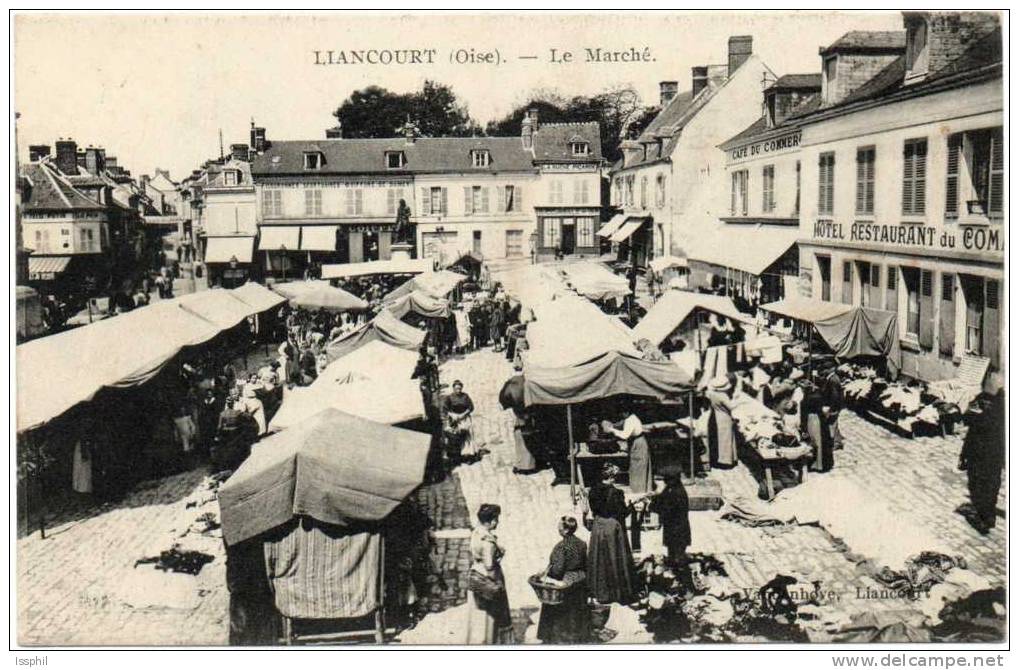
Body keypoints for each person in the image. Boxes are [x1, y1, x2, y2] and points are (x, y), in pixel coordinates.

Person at [465, 504, 513, 644]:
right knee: (490, 615)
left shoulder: (476, 532)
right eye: (496, 519)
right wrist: (496, 585)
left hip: (476, 573)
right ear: (491, 521)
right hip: (487, 577)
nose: (497, 522)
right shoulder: (488, 542)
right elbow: (490, 566)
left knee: (477, 613)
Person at [537, 516, 590, 644]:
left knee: (556, 610)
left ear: (566, 530)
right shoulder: (582, 544)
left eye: (560, 526)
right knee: (578, 612)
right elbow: (585, 563)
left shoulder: (561, 547)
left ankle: (556, 638)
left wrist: (546, 574)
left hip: (565, 584)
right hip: (580, 580)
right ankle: (580, 636)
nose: (558, 528)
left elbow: (557, 570)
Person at [586, 464, 634, 605]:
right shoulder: (617, 493)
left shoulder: (593, 491)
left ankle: (599, 591)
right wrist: (631, 507)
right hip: (612, 527)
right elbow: (623, 513)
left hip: (598, 525)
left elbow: (594, 509)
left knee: (599, 559)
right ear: (612, 477)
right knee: (615, 559)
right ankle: (617, 592)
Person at [959, 389, 1005, 534]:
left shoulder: (983, 413)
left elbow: (969, 429)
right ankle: (988, 516)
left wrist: (963, 456)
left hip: (979, 457)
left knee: (978, 486)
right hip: (994, 458)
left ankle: (984, 517)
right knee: (991, 487)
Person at [647, 469, 691, 563]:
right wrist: (655, 495)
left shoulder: (675, 492)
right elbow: (663, 497)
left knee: (676, 553)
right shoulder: (675, 488)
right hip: (675, 527)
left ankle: (678, 567)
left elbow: (664, 508)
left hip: (677, 529)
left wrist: (650, 504)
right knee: (673, 549)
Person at [608, 409, 652, 494]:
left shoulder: (631, 420)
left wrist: (612, 430)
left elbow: (625, 435)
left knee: (639, 467)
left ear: (627, 412)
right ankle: (638, 489)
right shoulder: (630, 418)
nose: (621, 415)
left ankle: (640, 491)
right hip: (636, 442)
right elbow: (620, 424)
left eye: (622, 413)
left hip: (639, 443)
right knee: (635, 467)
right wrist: (613, 425)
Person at [705, 375, 738, 468]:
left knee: (716, 439)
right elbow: (731, 407)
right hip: (724, 418)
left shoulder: (711, 393)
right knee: (725, 440)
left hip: (715, 415)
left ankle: (716, 460)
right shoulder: (723, 396)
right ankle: (725, 461)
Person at [442, 380, 476, 465]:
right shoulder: (449, 397)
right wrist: (452, 415)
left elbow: (471, 407)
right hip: (454, 419)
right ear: (453, 388)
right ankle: (456, 457)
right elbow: (445, 409)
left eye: (460, 388)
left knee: (467, 436)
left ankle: (467, 456)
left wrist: (463, 415)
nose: (458, 390)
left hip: (464, 418)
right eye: (456, 389)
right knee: (455, 437)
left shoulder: (465, 396)